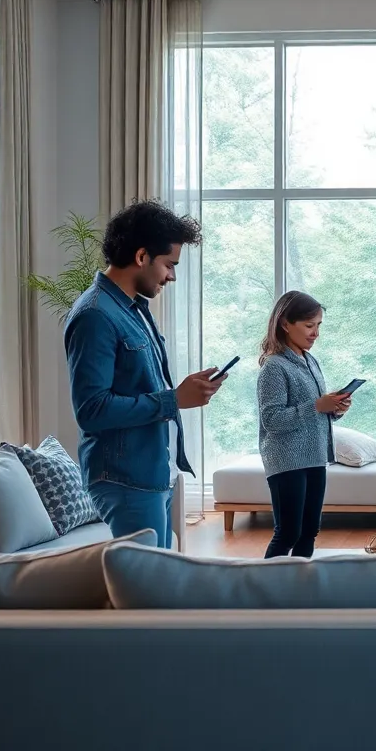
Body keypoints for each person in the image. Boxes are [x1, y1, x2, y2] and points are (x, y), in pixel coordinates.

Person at [64, 200, 223, 549]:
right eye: (169, 264)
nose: (172, 276)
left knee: (159, 587)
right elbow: (91, 411)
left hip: (151, 473)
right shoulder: (95, 316)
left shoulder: (134, 309)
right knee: (147, 594)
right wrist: (174, 399)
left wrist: (182, 390)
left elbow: (139, 383)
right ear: (141, 257)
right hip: (126, 481)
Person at [256, 291, 352, 559]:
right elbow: (272, 420)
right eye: (309, 326)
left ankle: (298, 589)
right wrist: (317, 406)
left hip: (314, 457)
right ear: (285, 324)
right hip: (287, 460)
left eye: (318, 326)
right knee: (288, 532)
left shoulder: (310, 361)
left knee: (309, 530)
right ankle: (263, 591)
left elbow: (315, 411)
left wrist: (335, 409)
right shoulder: (274, 367)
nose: (315, 333)